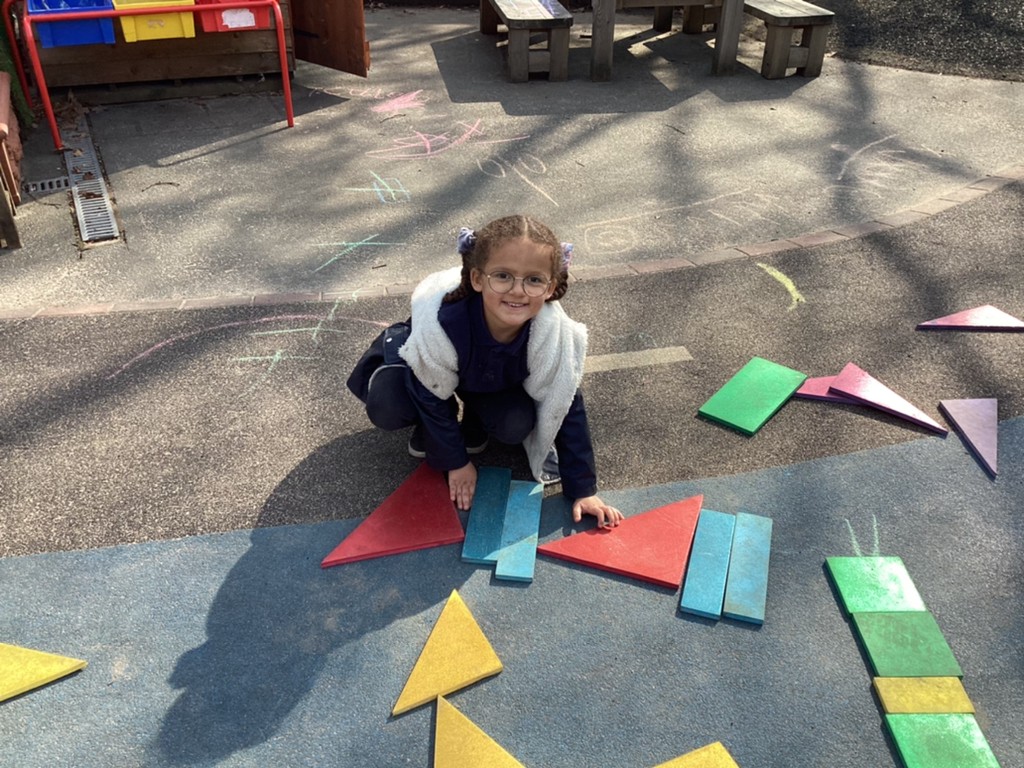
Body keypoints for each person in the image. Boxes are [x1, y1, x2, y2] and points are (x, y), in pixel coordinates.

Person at [347, 215, 623, 529]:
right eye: (503, 276)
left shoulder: (552, 333)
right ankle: (431, 427)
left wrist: (583, 489)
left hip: (487, 378)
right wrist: (456, 462)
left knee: (514, 424)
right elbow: (427, 389)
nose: (518, 291)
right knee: (389, 405)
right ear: (477, 279)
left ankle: (475, 420)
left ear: (550, 288)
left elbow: (565, 399)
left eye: (534, 280)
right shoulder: (442, 323)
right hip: (424, 370)